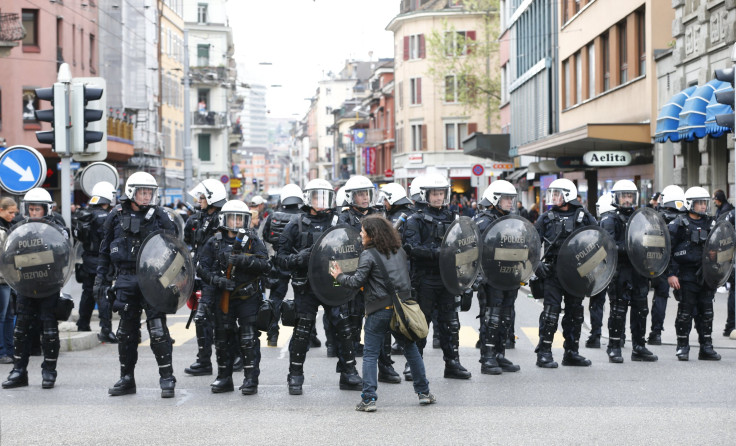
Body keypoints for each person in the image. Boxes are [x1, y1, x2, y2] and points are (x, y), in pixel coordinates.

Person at [330, 215, 436, 412]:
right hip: (402, 309)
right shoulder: (400, 251)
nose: (360, 234)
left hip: (378, 310)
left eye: (363, 231)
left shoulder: (368, 255)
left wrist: (339, 275)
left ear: (372, 234)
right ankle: (424, 393)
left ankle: (369, 399)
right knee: (411, 350)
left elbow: (355, 282)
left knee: (370, 354)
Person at [96, 172, 180, 398]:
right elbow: (104, 251)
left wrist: (173, 280)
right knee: (126, 332)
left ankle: (167, 379)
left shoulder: (161, 216)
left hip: (153, 279)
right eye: (143, 192)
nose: (147, 196)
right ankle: (127, 379)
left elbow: (175, 250)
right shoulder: (115, 215)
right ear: (132, 192)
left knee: (158, 331)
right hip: (125, 278)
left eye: (150, 192)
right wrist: (100, 280)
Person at [276, 179, 362, 395]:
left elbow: (353, 249)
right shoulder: (295, 224)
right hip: (306, 286)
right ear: (308, 198)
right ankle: (295, 375)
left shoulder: (338, 222)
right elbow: (280, 259)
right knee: (303, 329)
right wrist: (299, 259)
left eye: (325, 196)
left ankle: (348, 372)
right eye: (317, 196)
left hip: (334, 282)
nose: (322, 201)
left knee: (344, 326)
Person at [197, 200, 271, 394]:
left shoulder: (253, 240)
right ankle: (224, 377)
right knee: (222, 338)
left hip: (247, 296)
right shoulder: (214, 241)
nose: (236, 222)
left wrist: (245, 260)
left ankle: (250, 380)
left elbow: (266, 265)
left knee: (248, 338)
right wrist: (217, 281)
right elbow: (201, 268)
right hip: (223, 297)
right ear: (224, 219)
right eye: (233, 218)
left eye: (241, 218)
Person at [405, 173, 472, 380]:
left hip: (448, 279)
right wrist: (440, 253)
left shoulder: (454, 218)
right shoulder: (414, 220)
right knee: (420, 324)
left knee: (450, 323)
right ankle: (413, 364)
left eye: (441, 193)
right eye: (434, 193)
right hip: (424, 279)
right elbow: (411, 248)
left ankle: (452, 363)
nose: (438, 197)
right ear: (425, 195)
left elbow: (466, 244)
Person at [2, 188, 67, 389]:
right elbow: (10, 256)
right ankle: (19, 371)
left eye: (37, 209)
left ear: (46, 209)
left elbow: (62, 255)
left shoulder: (58, 229)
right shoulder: (20, 229)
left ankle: (49, 372)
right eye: (31, 209)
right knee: (21, 330)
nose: (33, 213)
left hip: (49, 286)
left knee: (49, 330)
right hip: (25, 285)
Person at [534, 178, 597, 368]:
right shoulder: (545, 217)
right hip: (552, 273)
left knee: (575, 313)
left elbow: (598, 239)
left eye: (557, 193)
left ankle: (571, 352)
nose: (553, 197)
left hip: (576, 273)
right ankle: (544, 353)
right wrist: (537, 264)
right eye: (551, 193)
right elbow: (531, 243)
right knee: (550, 313)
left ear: (568, 195)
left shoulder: (584, 216)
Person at [600, 180, 658, 363]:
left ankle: (639, 346)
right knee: (618, 310)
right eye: (624, 196)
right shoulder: (610, 219)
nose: (627, 200)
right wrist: (631, 248)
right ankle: (614, 347)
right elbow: (608, 245)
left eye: (630, 196)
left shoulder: (641, 218)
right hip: (620, 271)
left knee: (641, 309)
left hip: (639, 270)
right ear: (616, 197)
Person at [473, 180, 522, 375]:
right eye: (506, 199)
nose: (510, 202)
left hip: (510, 275)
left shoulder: (512, 219)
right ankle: (487, 357)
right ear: (495, 199)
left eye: (511, 198)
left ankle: (500, 354)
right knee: (492, 317)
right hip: (491, 277)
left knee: (506, 316)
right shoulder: (484, 221)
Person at [667, 186, 721, 361]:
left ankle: (706, 347)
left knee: (706, 313)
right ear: (690, 204)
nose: (703, 207)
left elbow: (721, 245)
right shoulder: (678, 224)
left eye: (705, 203)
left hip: (706, 275)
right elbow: (667, 250)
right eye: (699, 203)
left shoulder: (711, 223)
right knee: (685, 312)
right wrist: (671, 274)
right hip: (686, 275)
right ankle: (682, 347)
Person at [183, 179, 228, 377]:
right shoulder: (195, 219)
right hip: (200, 274)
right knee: (201, 318)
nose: (199, 200)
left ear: (212, 198)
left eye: (202, 197)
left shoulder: (226, 218)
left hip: (220, 276)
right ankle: (204, 361)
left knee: (224, 320)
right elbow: (185, 244)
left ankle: (232, 357)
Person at [337, 175, 381, 363]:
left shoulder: (377, 215)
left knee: (379, 316)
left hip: (376, 273)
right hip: (354, 272)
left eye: (367, 194)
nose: (365, 198)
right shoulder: (343, 218)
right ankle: (352, 353)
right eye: (360, 194)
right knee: (353, 316)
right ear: (351, 197)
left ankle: (384, 363)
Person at [72, 182, 118, 343]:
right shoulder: (106, 217)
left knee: (87, 293)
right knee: (103, 293)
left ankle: (83, 324)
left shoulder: (83, 213)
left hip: (87, 259)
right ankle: (106, 329)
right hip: (102, 260)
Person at [262, 183, 304, 347]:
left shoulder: (273, 216)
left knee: (276, 299)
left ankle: (272, 335)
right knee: (303, 300)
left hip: (279, 262)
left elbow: (266, 236)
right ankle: (303, 336)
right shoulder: (303, 216)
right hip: (299, 262)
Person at [647, 185, 686, 345]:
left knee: (660, 298)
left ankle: (656, 333)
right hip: (682, 265)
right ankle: (683, 336)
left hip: (661, 264)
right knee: (686, 301)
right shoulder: (686, 219)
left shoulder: (657, 218)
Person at [586, 193, 615, 349]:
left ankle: (595, 335)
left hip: (602, 268)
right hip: (618, 268)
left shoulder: (603, 222)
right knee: (618, 304)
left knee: (597, 303)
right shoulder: (619, 220)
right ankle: (619, 336)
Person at [0, 197, 18, 364]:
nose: (13, 215)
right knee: (3, 316)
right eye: (10, 212)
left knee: (8, 316)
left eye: (14, 212)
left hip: (8, 279)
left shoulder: (8, 227)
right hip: (2, 279)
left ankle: (9, 350)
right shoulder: (1, 229)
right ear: (1, 210)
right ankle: (3, 351)